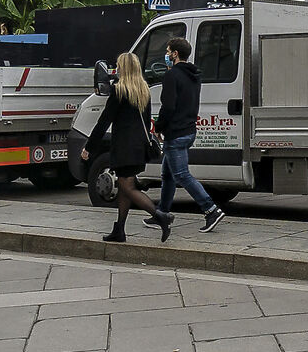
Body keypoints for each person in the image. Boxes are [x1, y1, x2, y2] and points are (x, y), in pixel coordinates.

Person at [153, 36, 223, 232]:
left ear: (175, 54)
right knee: (168, 174)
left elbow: (168, 107)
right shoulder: (194, 75)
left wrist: (158, 127)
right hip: (189, 130)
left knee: (182, 175)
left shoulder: (172, 76)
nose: (166, 55)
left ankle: (211, 209)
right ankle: (162, 213)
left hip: (175, 132)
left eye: (168, 52)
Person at [92, 52, 164, 243]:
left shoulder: (119, 90)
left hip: (124, 147)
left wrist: (89, 147)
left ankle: (161, 216)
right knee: (126, 188)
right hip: (139, 146)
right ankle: (119, 230)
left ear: (123, 68)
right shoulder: (144, 89)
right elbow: (147, 121)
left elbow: (104, 121)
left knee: (127, 187)